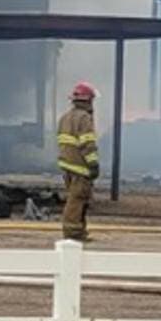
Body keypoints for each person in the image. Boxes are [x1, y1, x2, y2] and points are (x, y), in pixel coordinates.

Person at [57, 81, 100, 241]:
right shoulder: (84, 118)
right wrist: (93, 164)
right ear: (88, 100)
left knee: (77, 199)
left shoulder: (65, 117)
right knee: (77, 199)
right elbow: (87, 144)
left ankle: (78, 230)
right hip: (80, 166)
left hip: (67, 165)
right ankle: (73, 233)